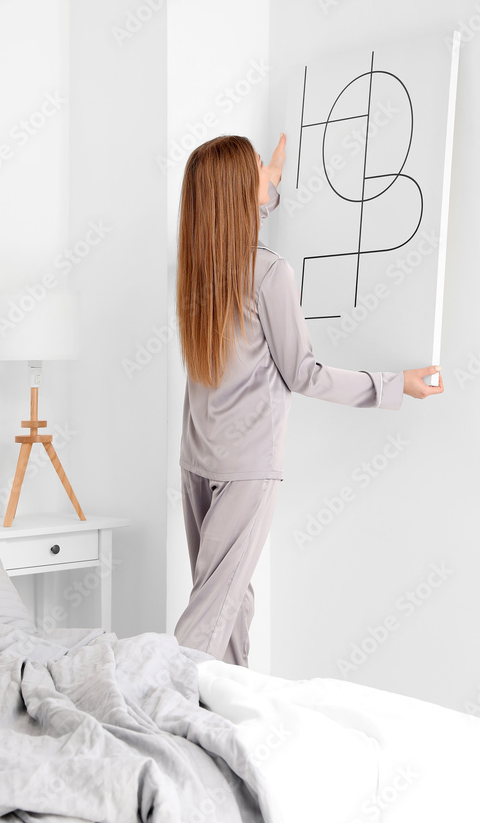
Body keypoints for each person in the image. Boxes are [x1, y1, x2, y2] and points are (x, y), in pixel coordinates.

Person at [173, 132, 443, 667]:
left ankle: (221, 716)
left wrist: (263, 183)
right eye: (260, 171)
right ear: (240, 191)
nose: (269, 176)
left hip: (198, 457)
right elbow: (304, 373)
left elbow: (238, 231)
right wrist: (394, 385)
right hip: (247, 463)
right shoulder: (271, 272)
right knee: (213, 611)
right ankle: (153, 709)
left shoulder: (199, 267)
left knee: (228, 599)